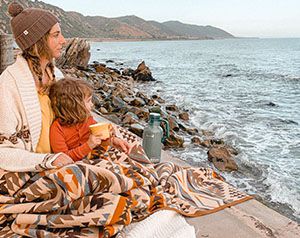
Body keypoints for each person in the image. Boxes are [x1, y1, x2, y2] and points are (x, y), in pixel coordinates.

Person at [0, 1, 74, 171]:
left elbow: (76, 118)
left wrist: (107, 135)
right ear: (37, 41)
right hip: (28, 169)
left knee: (127, 163)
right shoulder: (9, 83)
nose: (63, 41)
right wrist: (49, 160)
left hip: (63, 159)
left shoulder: (57, 75)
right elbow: (2, 151)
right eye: (56, 35)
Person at [49, 77, 130, 161]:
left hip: (94, 155)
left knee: (122, 136)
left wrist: (113, 140)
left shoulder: (87, 119)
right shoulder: (57, 129)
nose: (92, 104)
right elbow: (63, 158)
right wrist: (88, 145)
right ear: (73, 106)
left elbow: (100, 139)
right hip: (77, 163)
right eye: (88, 101)